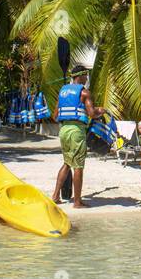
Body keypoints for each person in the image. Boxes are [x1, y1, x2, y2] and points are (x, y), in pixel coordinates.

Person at [53, 66, 98, 209]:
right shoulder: (84, 92)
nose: (87, 79)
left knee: (67, 163)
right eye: (86, 76)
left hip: (64, 130)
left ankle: (55, 196)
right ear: (81, 76)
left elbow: (54, 116)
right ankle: (77, 202)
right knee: (78, 166)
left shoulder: (62, 92)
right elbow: (92, 113)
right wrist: (101, 111)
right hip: (76, 131)